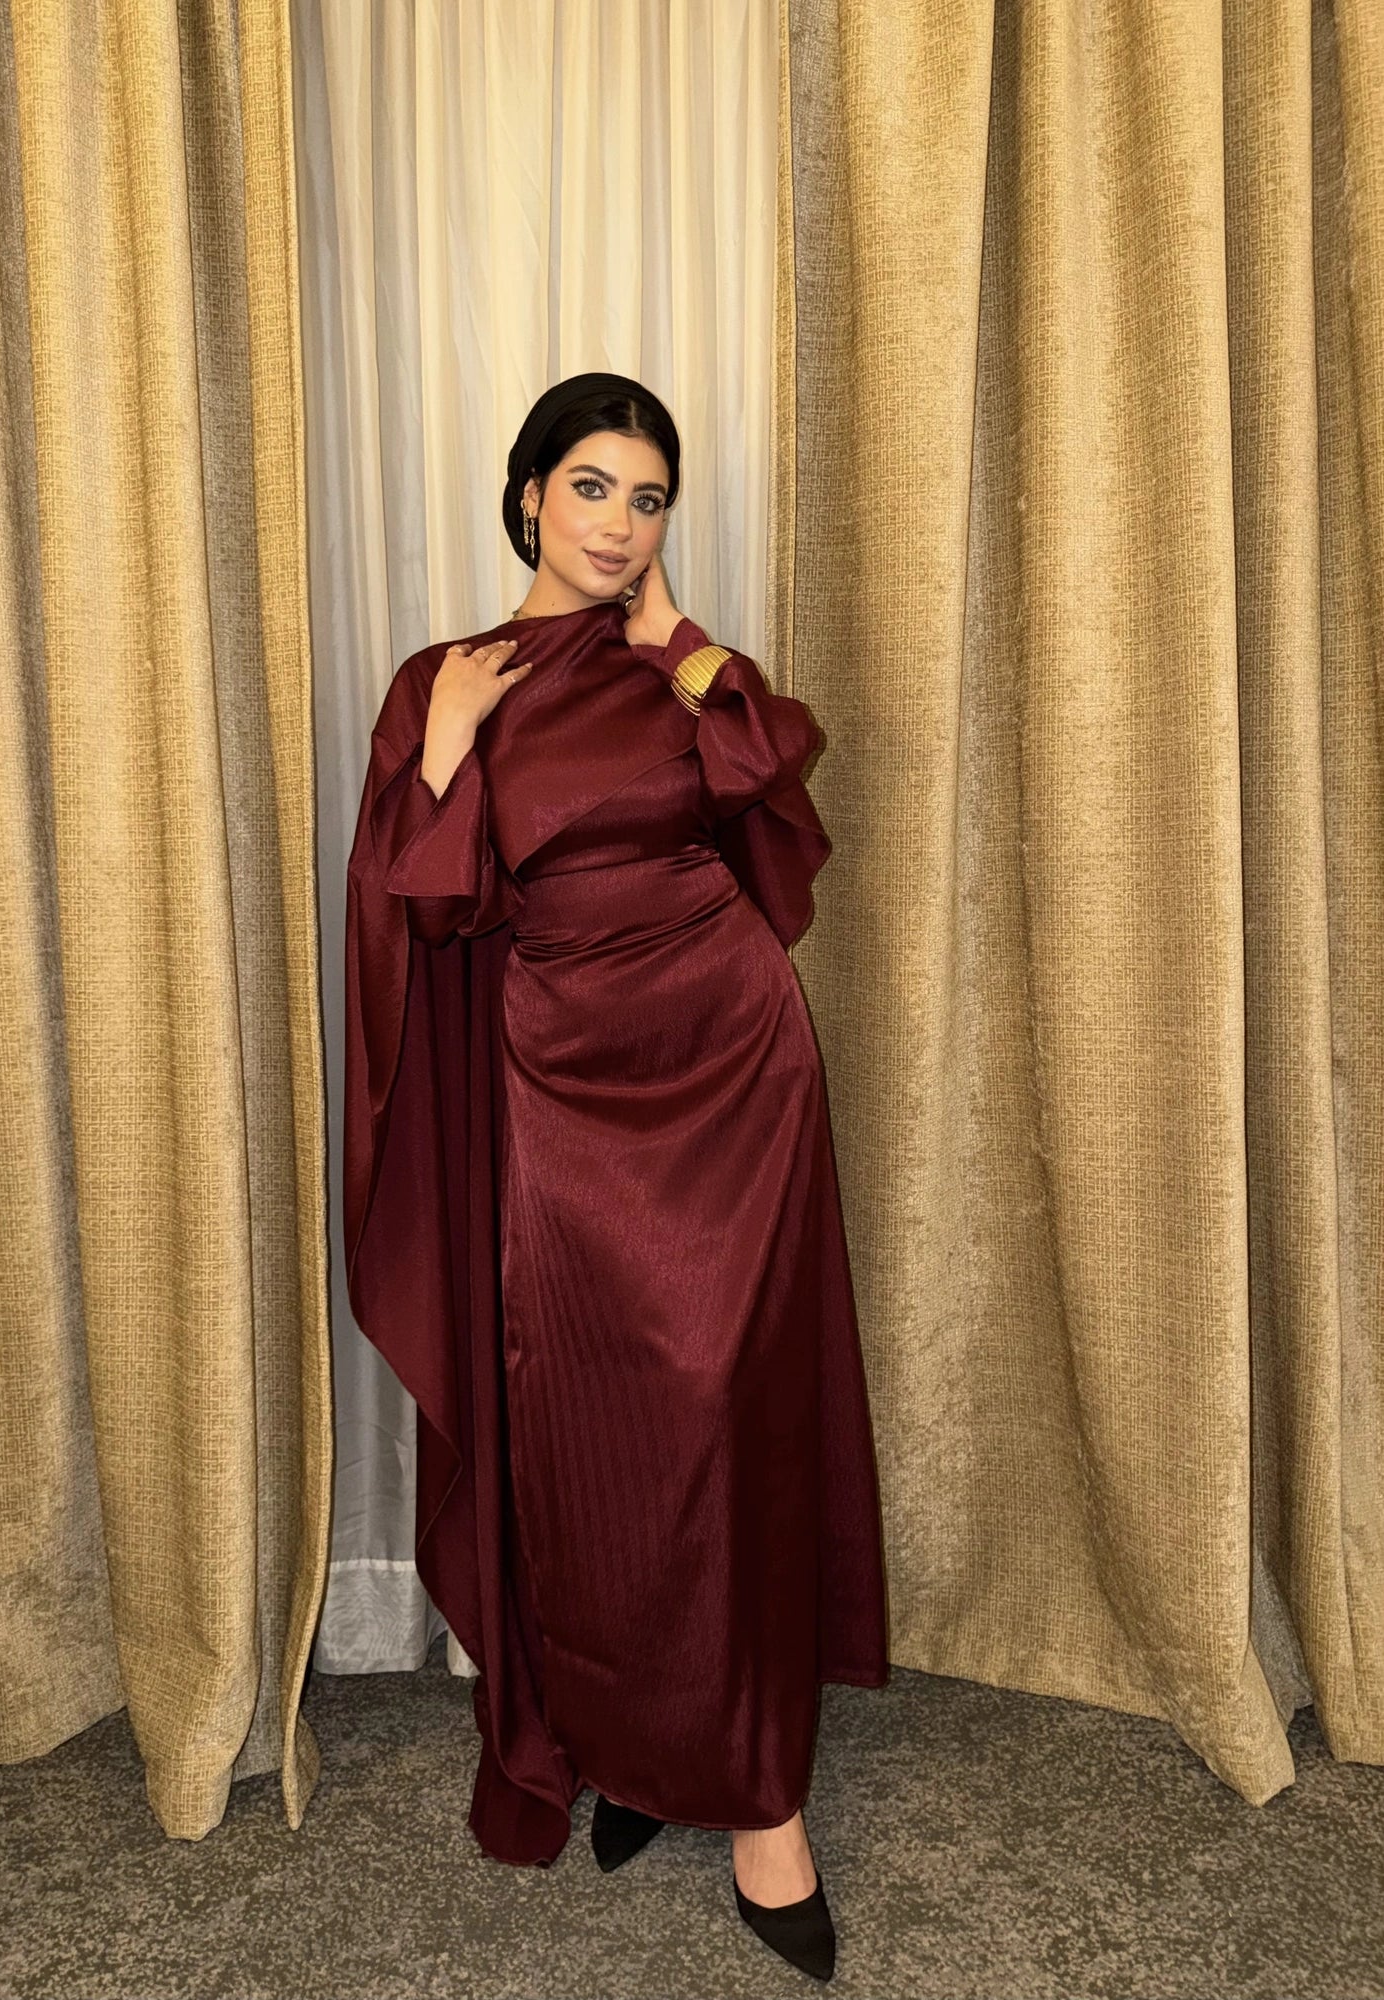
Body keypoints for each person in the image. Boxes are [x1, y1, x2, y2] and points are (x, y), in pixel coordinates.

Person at [343, 371, 888, 1982]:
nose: (620, 524)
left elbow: (771, 774)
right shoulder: (442, 680)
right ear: (528, 495)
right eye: (591, 487)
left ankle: (764, 1797)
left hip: (732, 1059)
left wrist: (676, 643)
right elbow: (425, 909)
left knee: (731, 1413)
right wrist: (446, 755)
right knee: (603, 1430)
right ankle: (647, 1747)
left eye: (647, 499)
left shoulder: (679, 667)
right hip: (561, 1084)